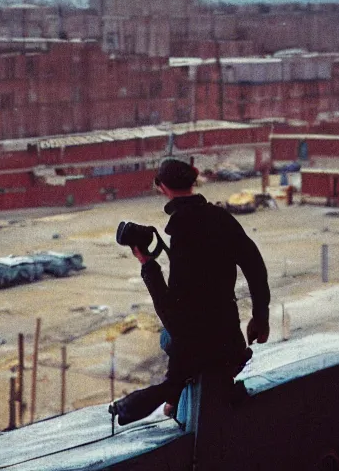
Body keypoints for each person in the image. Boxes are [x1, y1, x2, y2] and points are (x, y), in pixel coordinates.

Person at [110, 158, 271, 425]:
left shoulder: (183, 234)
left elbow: (174, 316)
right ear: (193, 182)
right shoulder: (221, 218)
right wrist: (260, 317)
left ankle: (173, 396)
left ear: (162, 188)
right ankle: (176, 394)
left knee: (166, 339)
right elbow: (255, 265)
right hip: (229, 341)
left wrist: (148, 265)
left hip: (201, 348)